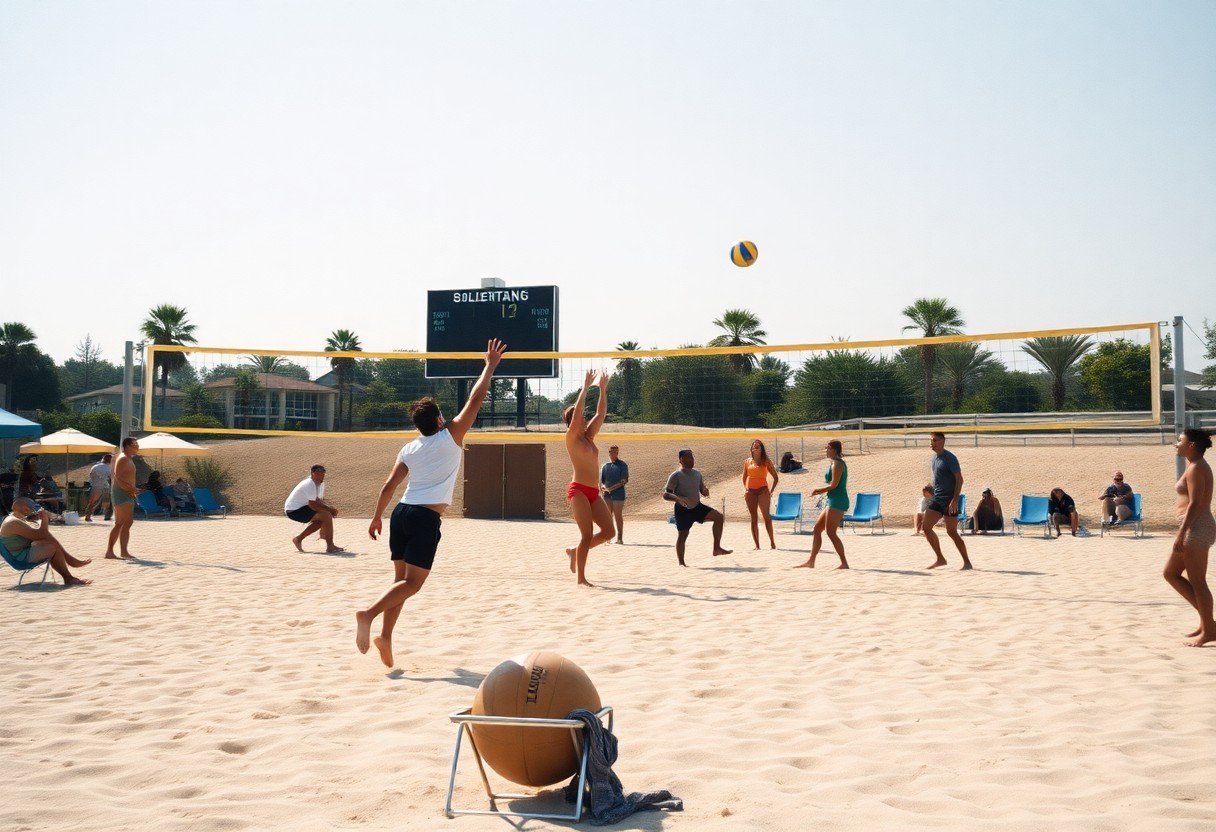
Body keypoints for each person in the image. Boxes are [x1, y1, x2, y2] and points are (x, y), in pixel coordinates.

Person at [355, 338, 506, 666]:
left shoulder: (409, 448)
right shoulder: (450, 435)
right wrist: (490, 365)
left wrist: (376, 517)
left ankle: (386, 637)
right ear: (438, 420)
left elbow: (388, 485)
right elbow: (476, 397)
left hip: (401, 514)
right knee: (413, 584)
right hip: (424, 518)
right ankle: (367, 614)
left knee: (401, 584)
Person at [1163, 429, 1216, 647]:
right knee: (1170, 573)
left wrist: (1181, 533)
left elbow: (1195, 504)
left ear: (1191, 445)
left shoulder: (1196, 468)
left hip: (1195, 528)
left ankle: (1209, 631)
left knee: (1198, 581)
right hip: (1195, 527)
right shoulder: (1195, 465)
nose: (1176, 444)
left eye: (1180, 441)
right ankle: (1209, 625)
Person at [563, 370, 614, 586]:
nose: (585, 419)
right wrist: (584, 388)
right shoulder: (572, 436)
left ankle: (575, 552)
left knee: (609, 532)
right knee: (587, 534)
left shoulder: (589, 436)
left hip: (594, 492)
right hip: (579, 491)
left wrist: (602, 389)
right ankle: (581, 579)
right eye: (582, 417)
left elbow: (601, 414)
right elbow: (577, 415)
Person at [1, 497, 92, 585]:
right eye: (32, 508)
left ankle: (70, 562)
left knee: (49, 541)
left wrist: (34, 520)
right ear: (25, 509)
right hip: (20, 559)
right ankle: (68, 575)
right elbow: (41, 534)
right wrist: (44, 519)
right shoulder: (13, 522)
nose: (33, 511)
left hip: (19, 554)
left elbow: (40, 535)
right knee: (53, 547)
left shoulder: (14, 519)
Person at [664, 449, 731, 566]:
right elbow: (666, 494)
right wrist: (678, 499)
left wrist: (705, 491)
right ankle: (681, 563)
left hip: (697, 507)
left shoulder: (697, 473)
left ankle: (717, 548)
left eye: (692, 457)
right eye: (688, 457)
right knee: (683, 534)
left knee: (719, 517)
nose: (692, 459)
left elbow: (702, 489)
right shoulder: (676, 475)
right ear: (681, 460)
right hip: (682, 509)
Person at [921, 432, 972, 570]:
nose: (932, 442)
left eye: (935, 440)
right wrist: (930, 487)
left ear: (942, 441)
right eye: (931, 440)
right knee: (926, 528)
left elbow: (959, 479)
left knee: (952, 532)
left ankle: (967, 562)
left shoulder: (950, 458)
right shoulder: (934, 459)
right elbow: (939, 479)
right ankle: (940, 558)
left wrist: (955, 499)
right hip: (937, 499)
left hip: (950, 500)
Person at [796, 440, 849, 569]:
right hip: (832, 500)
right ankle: (811, 561)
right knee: (817, 529)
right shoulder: (833, 463)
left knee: (831, 533)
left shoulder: (838, 464)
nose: (826, 450)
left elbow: (834, 485)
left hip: (838, 501)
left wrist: (818, 491)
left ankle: (844, 563)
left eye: (828, 448)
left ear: (834, 450)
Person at [284, 465, 342, 553]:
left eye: (323, 474)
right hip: (294, 510)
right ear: (313, 474)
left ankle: (298, 539)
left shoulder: (319, 484)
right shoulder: (309, 484)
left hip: (303, 507)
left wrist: (328, 511)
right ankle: (330, 546)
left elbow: (318, 500)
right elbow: (313, 505)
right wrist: (330, 510)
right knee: (326, 515)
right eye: (318, 473)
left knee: (322, 519)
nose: (321, 476)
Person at [104, 437, 140, 559]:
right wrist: (131, 489)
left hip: (126, 492)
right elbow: (117, 477)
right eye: (135, 444)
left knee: (126, 522)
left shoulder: (125, 457)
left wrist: (132, 489)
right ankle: (110, 552)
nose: (138, 446)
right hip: (122, 493)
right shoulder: (124, 458)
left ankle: (123, 551)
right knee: (120, 523)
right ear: (128, 445)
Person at [742, 440, 779, 550]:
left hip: (763, 491)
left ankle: (772, 542)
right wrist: (745, 490)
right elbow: (744, 477)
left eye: (758, 446)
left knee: (766, 517)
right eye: (754, 446)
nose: (755, 447)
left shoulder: (766, 461)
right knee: (754, 518)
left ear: (761, 449)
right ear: (752, 449)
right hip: (751, 492)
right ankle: (757, 546)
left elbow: (776, 478)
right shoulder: (747, 461)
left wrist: (771, 491)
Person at [600, 444, 629, 545]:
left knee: (618, 515)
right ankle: (608, 537)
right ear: (609, 453)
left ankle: (620, 538)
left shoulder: (623, 465)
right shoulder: (605, 466)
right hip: (607, 495)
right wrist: (603, 487)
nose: (614, 453)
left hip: (618, 495)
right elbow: (602, 481)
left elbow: (623, 481)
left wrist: (610, 489)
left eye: (616, 452)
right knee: (608, 516)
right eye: (612, 451)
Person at [85, 454, 113, 522]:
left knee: (92, 502)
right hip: (106, 486)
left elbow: (91, 475)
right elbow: (111, 478)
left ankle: (88, 516)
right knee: (107, 502)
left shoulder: (95, 466)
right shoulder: (110, 468)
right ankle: (107, 516)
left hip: (95, 486)